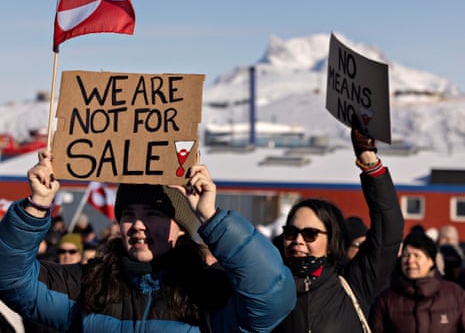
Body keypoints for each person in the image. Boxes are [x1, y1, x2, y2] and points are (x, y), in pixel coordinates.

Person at [0, 150, 296, 332]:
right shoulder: (88, 285)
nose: (138, 225)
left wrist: (211, 216)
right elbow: (10, 281)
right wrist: (36, 206)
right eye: (128, 214)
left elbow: (272, 296)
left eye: (153, 214)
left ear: (181, 227)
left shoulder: (210, 290)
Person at [272, 125, 404, 332]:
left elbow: (388, 230)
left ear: (331, 242)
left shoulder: (353, 284)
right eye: (291, 232)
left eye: (309, 234)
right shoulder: (265, 287)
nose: (298, 240)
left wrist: (369, 163)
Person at [369, 231, 465, 332]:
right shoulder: (386, 299)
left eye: (416, 255)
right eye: (406, 255)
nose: (410, 261)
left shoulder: (456, 295)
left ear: (431, 261)